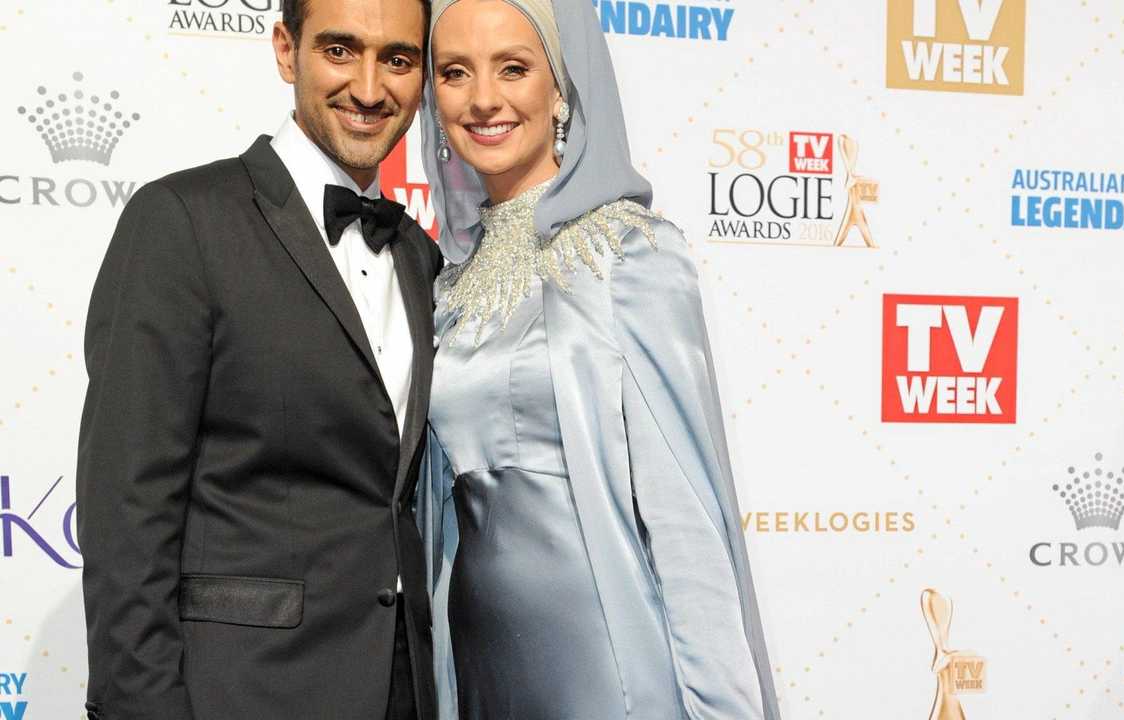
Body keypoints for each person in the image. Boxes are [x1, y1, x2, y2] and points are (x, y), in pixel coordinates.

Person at [415, 1, 781, 718]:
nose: (483, 98)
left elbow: (686, 523)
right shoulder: (446, 284)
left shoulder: (628, 254)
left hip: (607, 671)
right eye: (455, 72)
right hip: (481, 668)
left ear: (562, 86)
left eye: (513, 68)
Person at [75, 0, 441, 718]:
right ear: (285, 48)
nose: (370, 88)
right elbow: (127, 512)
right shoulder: (183, 221)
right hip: (242, 691)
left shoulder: (420, 258)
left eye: (397, 59)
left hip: (404, 691)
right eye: (340, 50)